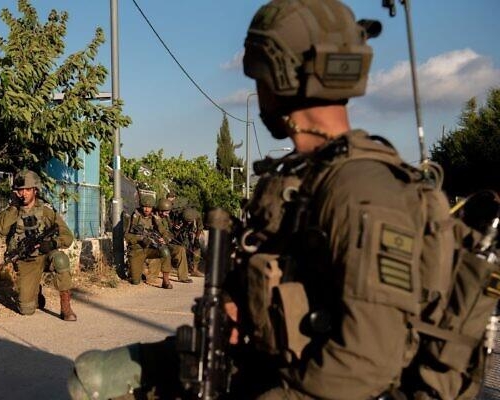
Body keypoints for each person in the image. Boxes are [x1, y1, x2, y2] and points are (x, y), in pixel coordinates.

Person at [68, 0, 460, 398]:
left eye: (258, 74)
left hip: (320, 384)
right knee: (93, 377)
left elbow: (365, 365)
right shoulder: (304, 177)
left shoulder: (363, 193)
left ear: (280, 75)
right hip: (271, 359)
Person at [0, 170, 77, 321]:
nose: (23, 194)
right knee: (26, 310)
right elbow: (2, 230)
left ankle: (66, 307)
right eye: (20, 190)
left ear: (35, 190)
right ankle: (36, 291)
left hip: (46, 256)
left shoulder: (46, 211)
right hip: (27, 262)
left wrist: (53, 243)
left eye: (27, 189)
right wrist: (13, 206)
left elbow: (68, 236)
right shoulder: (13, 210)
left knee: (60, 260)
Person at [124, 195, 174, 289]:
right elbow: (127, 236)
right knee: (135, 281)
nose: (147, 209)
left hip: (150, 248)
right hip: (137, 250)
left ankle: (166, 281)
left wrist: (164, 239)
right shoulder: (134, 217)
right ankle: (136, 271)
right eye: (145, 207)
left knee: (165, 251)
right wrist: (141, 238)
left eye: (149, 207)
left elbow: (165, 233)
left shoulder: (155, 218)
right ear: (141, 206)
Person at [155, 198, 192, 283]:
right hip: (157, 243)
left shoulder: (165, 217)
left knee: (181, 249)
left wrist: (176, 228)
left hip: (166, 242)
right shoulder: (154, 218)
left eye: (168, 212)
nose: (167, 214)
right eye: (166, 212)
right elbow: (160, 230)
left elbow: (169, 231)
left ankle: (183, 276)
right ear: (160, 210)